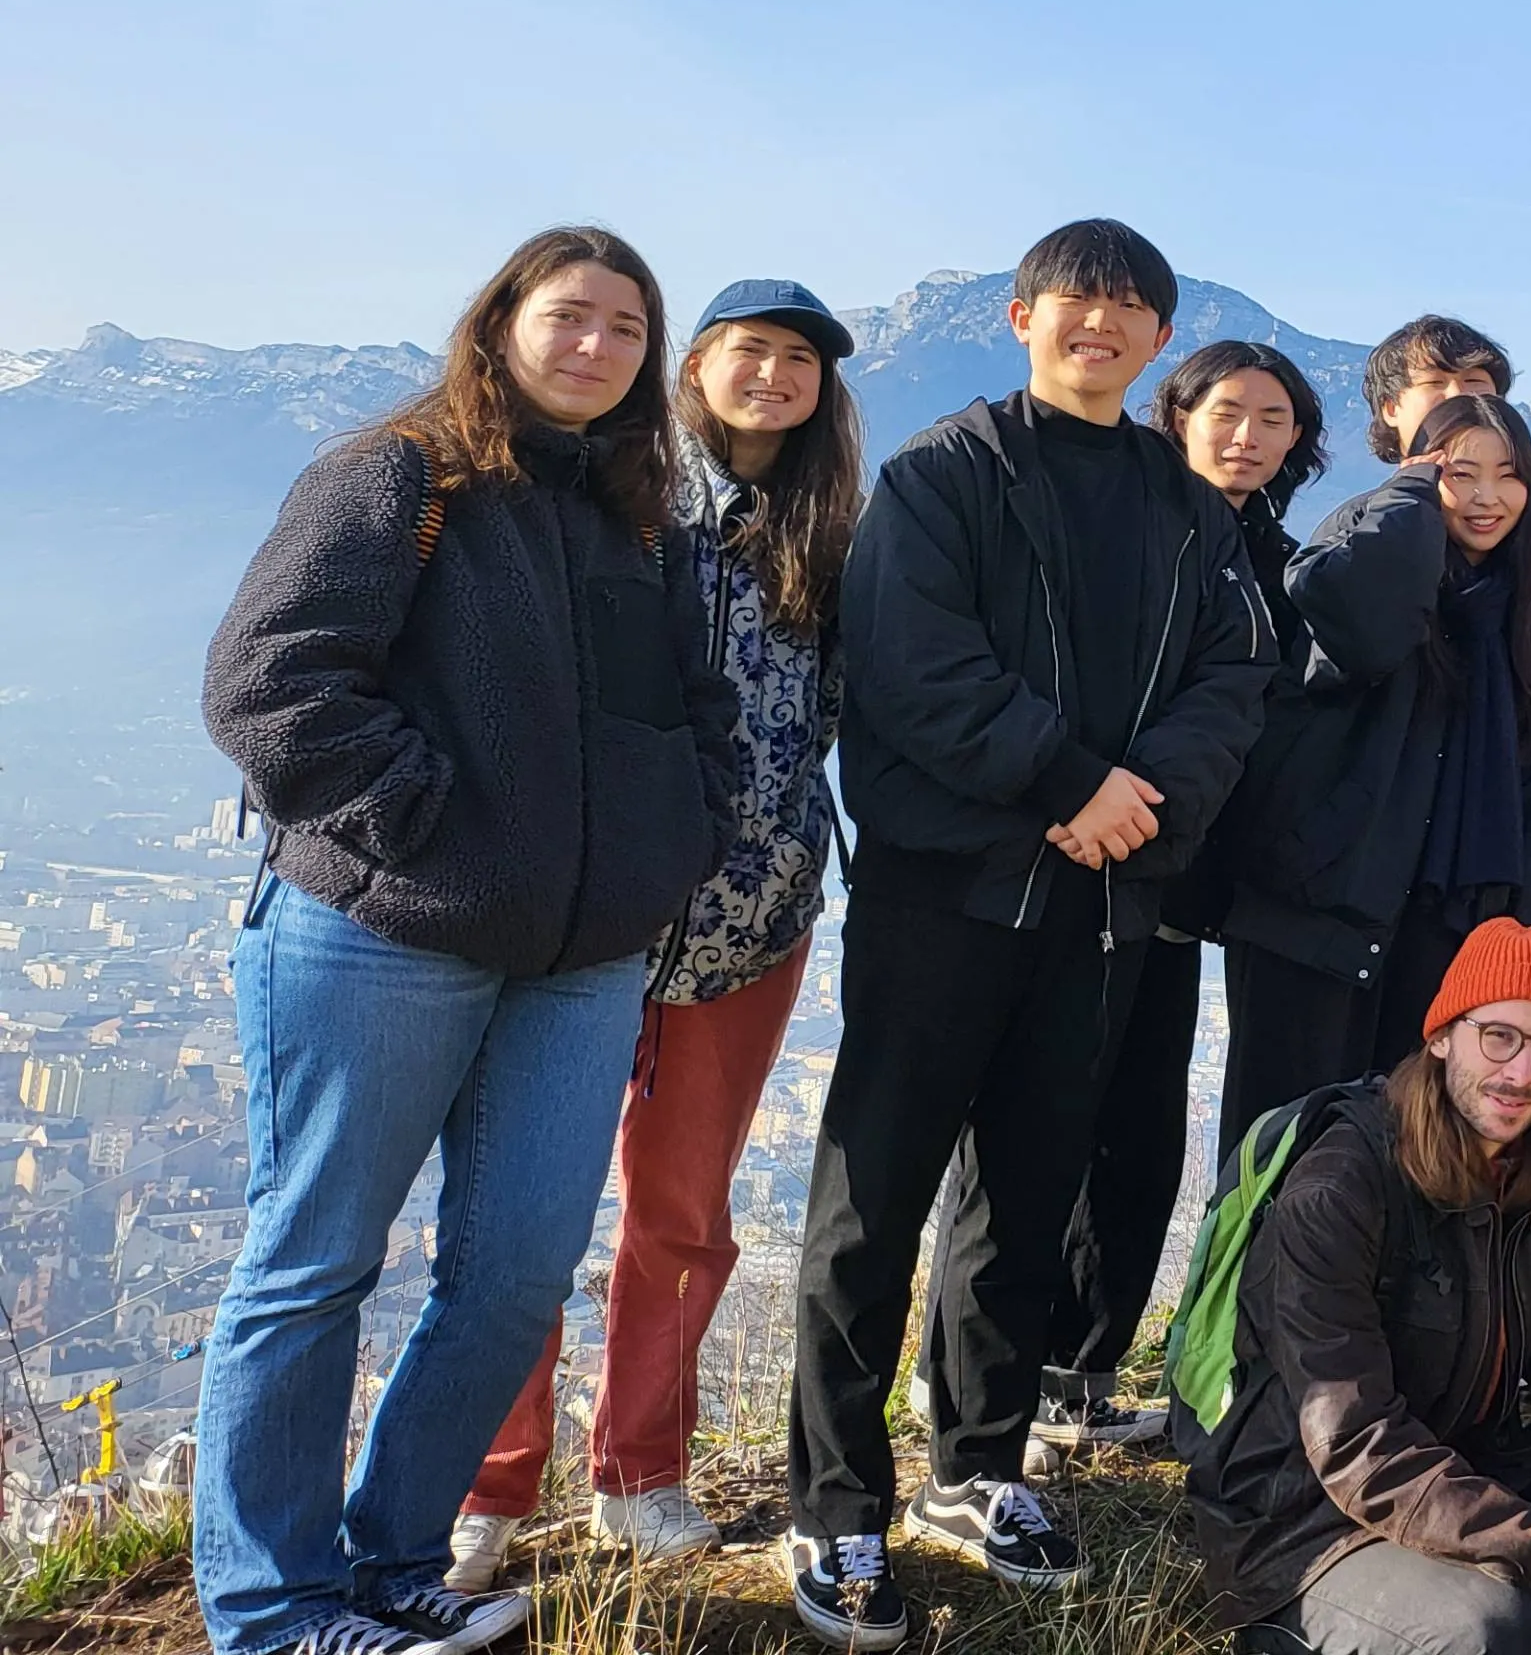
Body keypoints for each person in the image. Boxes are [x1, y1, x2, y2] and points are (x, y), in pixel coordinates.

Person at [198, 227, 743, 1655]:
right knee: (314, 1265)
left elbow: (700, 716)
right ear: (499, 324)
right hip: (381, 932)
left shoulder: (641, 521)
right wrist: (423, 822)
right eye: (572, 316)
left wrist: (662, 846)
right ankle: (272, 1607)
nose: (597, 347)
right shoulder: (401, 474)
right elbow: (270, 682)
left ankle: (387, 1562)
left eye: (628, 328)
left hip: (580, 963)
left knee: (513, 1276)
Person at [785, 220, 1279, 1642]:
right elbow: (911, 667)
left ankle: (979, 1466)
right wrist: (1075, 784)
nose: (1103, 326)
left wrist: (1139, 806)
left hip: (1100, 904)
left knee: (1023, 1198)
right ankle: (835, 1503)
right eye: (1080, 302)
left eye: (1133, 310)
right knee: (872, 1199)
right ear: (1021, 317)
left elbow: (1234, 676)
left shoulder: (1185, 506)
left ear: (1159, 340)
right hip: (943, 893)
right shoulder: (944, 478)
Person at [455, 280, 863, 1586]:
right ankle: (490, 1483)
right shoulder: (615, 487)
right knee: (523, 1208)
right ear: (696, 364)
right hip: (583, 917)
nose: (775, 375)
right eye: (754, 350)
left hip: (750, 929)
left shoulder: (829, 529)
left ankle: (641, 1471)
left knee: (680, 1215)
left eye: (800, 359)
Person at [1188, 921, 1531, 1655]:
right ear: (1441, 1037)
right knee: (1484, 1632)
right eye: (1498, 1036)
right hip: (1307, 1522)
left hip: (1464, 1471)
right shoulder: (1341, 1187)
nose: (1522, 1073)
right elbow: (1356, 1442)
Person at [1015, 339, 1329, 1464]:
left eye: (1275, 418)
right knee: (1056, 1115)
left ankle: (1087, 1373)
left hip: (1191, 881)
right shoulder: (1131, 521)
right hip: (1084, 853)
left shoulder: (1279, 556)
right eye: (1228, 411)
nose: (1249, 435)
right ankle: (1007, 1374)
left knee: (1144, 1127)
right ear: (1178, 413)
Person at [1224, 393, 1531, 1123]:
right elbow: (1359, 629)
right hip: (1317, 910)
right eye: (1458, 473)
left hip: (1447, 928)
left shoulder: (1525, 607)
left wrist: (1526, 931)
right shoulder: (1368, 548)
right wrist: (1409, 494)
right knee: (1285, 1151)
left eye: (1509, 475)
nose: (1486, 497)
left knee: (1416, 1158)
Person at [1362, 314, 1514, 462]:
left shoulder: (1530, 486)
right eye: (1434, 383)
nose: (1457, 395)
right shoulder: (1396, 489)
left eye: (1473, 380)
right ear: (1392, 409)